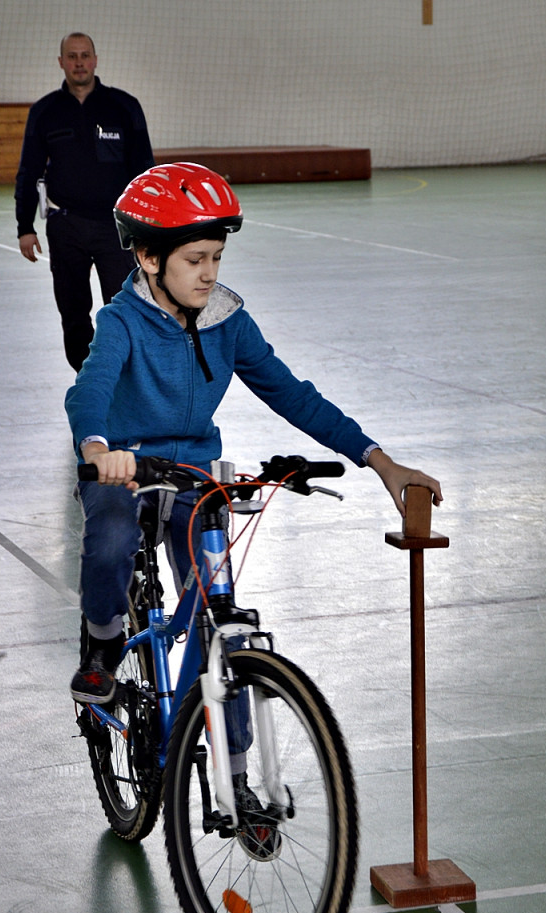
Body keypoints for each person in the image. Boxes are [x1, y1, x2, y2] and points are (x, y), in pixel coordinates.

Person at [64, 162, 443, 705]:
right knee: (113, 540)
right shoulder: (121, 321)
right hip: (124, 467)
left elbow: (292, 394)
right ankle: (102, 642)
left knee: (219, 621)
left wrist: (379, 460)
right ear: (149, 258)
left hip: (193, 472)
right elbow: (90, 389)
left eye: (216, 258)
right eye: (194, 260)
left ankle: (236, 776)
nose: (209, 273)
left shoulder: (229, 322)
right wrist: (99, 449)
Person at [15, 32, 155, 371]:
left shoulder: (124, 106)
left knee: (123, 306)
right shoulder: (45, 112)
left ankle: (127, 376)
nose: (79, 62)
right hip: (66, 226)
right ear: (61, 62)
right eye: (72, 56)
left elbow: (145, 171)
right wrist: (25, 227)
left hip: (117, 228)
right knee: (73, 309)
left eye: (85, 55)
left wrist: (149, 226)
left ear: (95, 59)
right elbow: (28, 171)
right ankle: (87, 377)